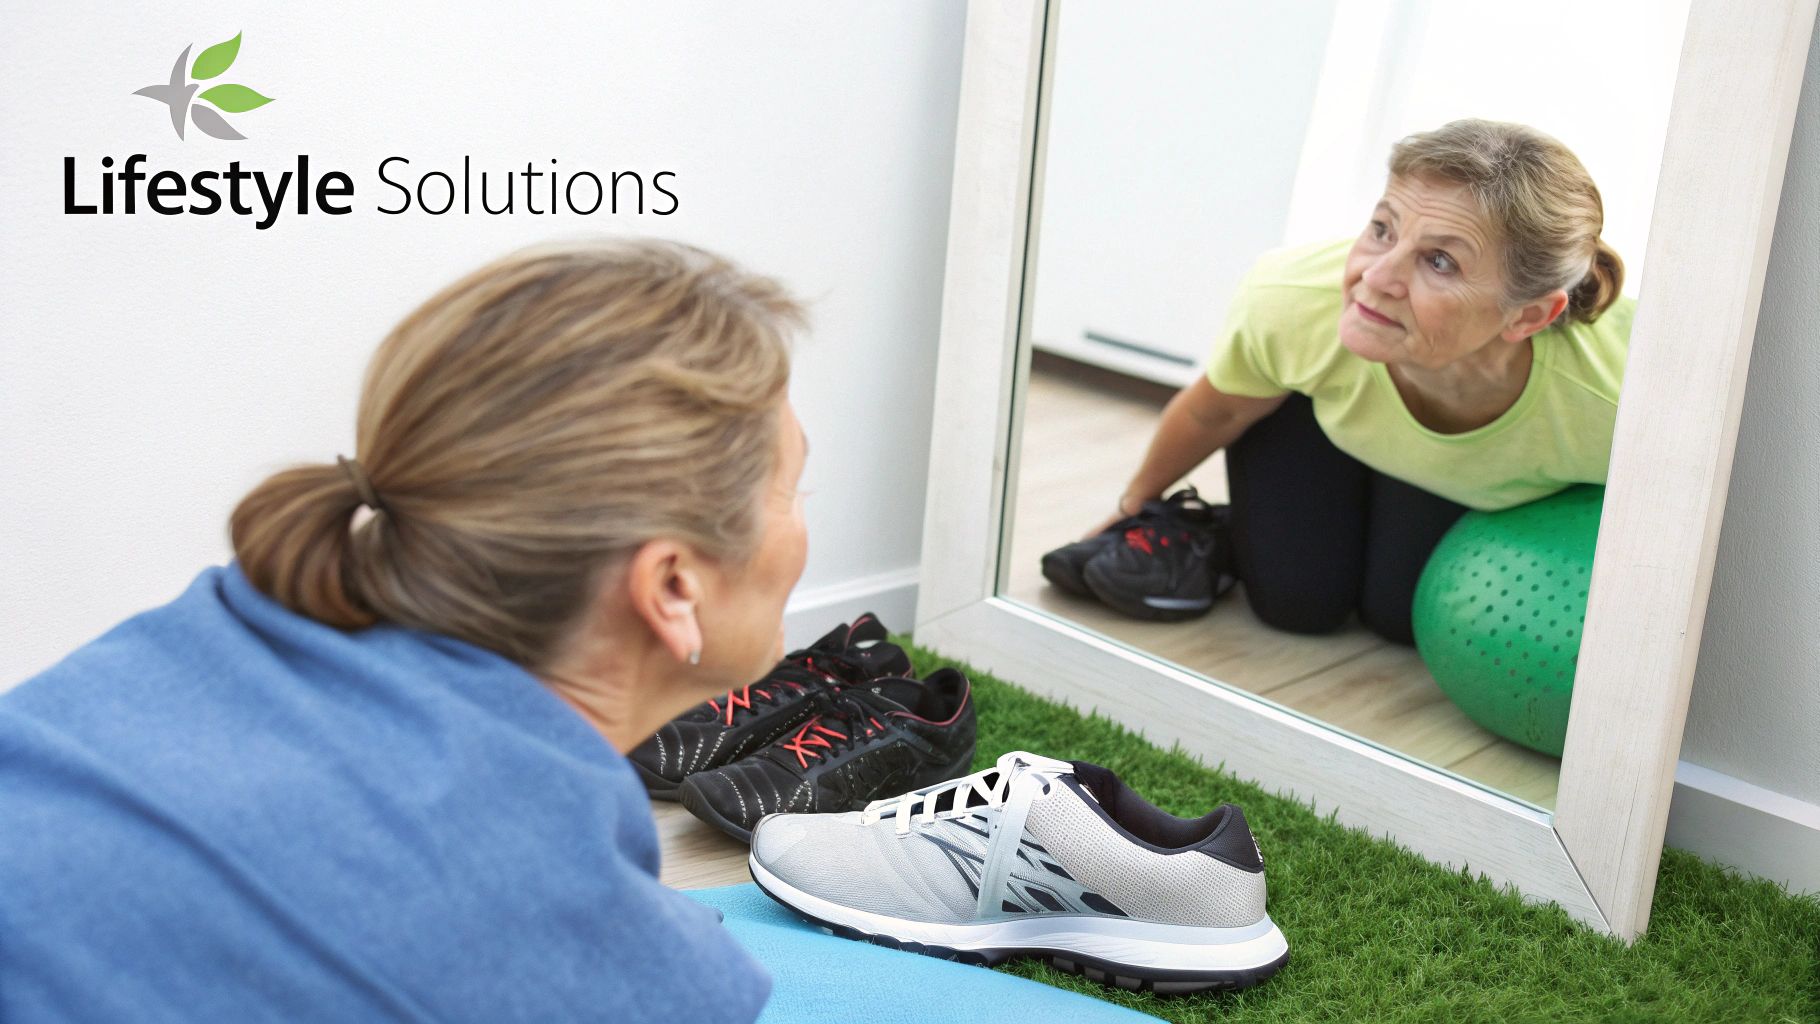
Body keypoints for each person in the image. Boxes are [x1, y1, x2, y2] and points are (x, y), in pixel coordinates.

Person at [0, 240, 810, 1022]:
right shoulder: (563, 937)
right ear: (673, 587)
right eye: (791, 489)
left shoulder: (220, 623)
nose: (805, 525)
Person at [1103, 119, 1632, 643]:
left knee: (1402, 620)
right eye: (1383, 229)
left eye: (1440, 262)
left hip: (1466, 476)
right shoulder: (1292, 298)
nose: (1375, 278)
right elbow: (1214, 411)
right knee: (1296, 606)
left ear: (1529, 316)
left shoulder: (1621, 405)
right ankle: (1225, 528)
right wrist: (1130, 512)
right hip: (1318, 424)